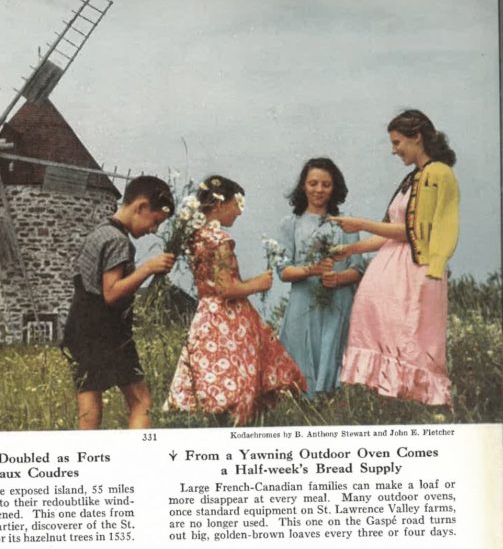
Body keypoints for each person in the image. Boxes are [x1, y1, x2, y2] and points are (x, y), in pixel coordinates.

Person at [329, 109, 459, 407]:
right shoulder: (413, 177)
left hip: (418, 269)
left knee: (413, 338)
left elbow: (415, 231)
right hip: (392, 270)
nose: (394, 150)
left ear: (417, 137)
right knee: (388, 333)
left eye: (398, 142)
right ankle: (395, 401)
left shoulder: (437, 174)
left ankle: (424, 405)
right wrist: (350, 249)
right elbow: (391, 233)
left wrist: (360, 223)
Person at [165, 175, 306, 424]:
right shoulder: (220, 240)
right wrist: (257, 284)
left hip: (205, 315)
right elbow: (226, 288)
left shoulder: (195, 237)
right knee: (239, 377)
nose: (239, 213)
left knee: (211, 375)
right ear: (220, 205)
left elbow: (211, 285)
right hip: (228, 318)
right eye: (236, 205)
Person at [62, 175, 175, 429]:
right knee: (141, 402)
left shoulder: (100, 231)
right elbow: (111, 293)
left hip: (80, 327)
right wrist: (147, 268)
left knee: (89, 400)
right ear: (141, 207)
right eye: (155, 221)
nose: (154, 230)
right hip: (107, 330)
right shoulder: (117, 241)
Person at [276, 158, 364, 398]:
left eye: (326, 184)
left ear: (334, 187)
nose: (319, 190)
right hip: (303, 301)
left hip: (338, 302)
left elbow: (358, 269)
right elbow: (283, 271)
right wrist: (311, 270)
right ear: (303, 186)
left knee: (333, 353)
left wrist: (338, 278)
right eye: (313, 183)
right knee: (301, 358)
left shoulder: (346, 223)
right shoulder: (290, 224)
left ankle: (333, 403)